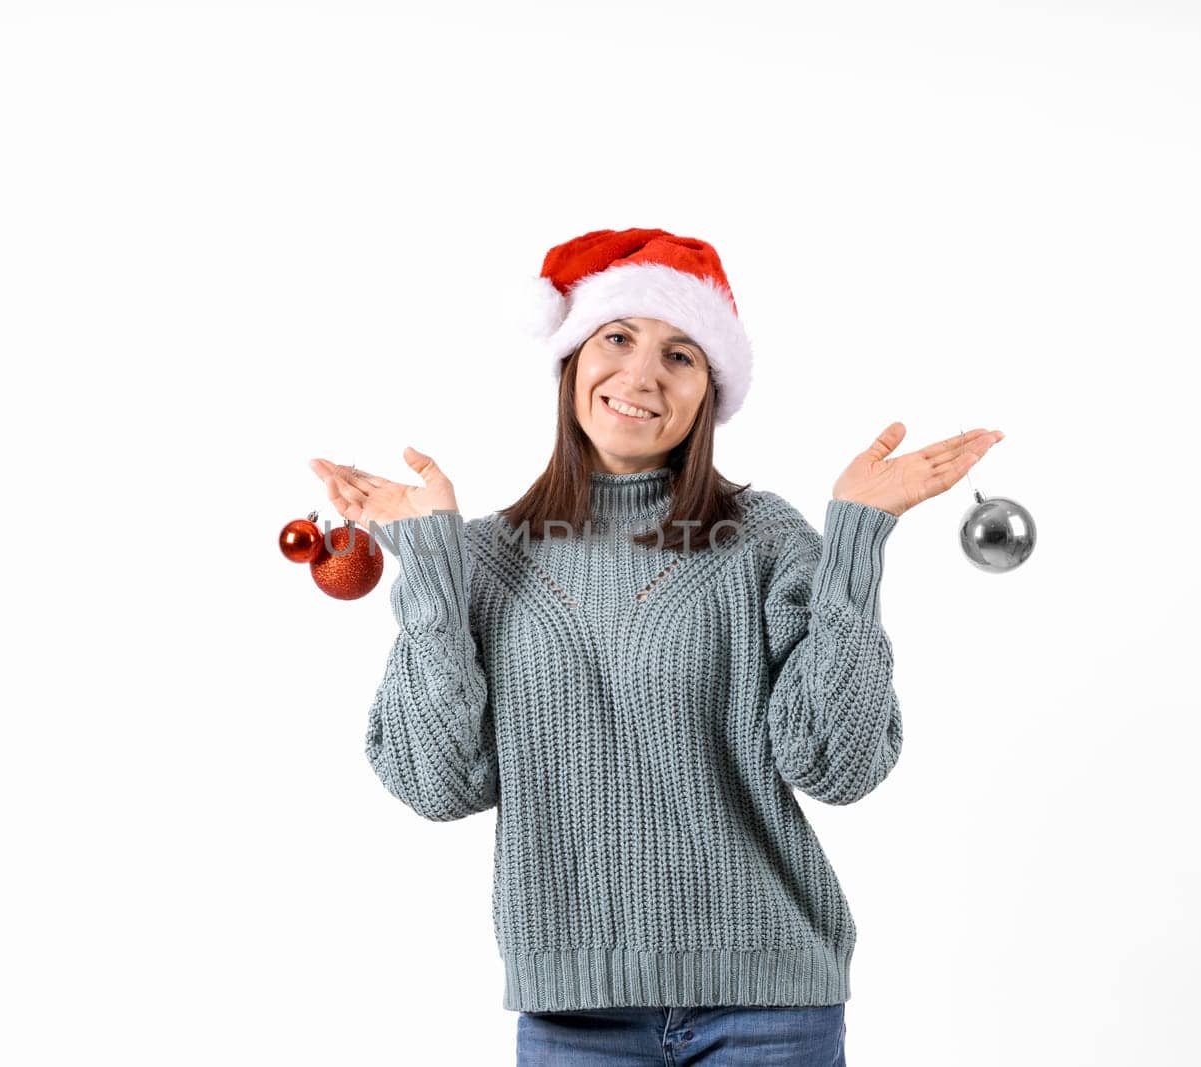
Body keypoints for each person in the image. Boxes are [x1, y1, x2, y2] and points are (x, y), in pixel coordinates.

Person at [308, 227, 1003, 1065]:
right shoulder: (485, 562)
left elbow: (837, 764)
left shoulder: (762, 540)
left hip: (770, 1005)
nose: (640, 375)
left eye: (681, 355)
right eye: (617, 337)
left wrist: (856, 540)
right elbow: (439, 782)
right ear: (572, 360)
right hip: (574, 1018)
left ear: (709, 391)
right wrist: (431, 563)